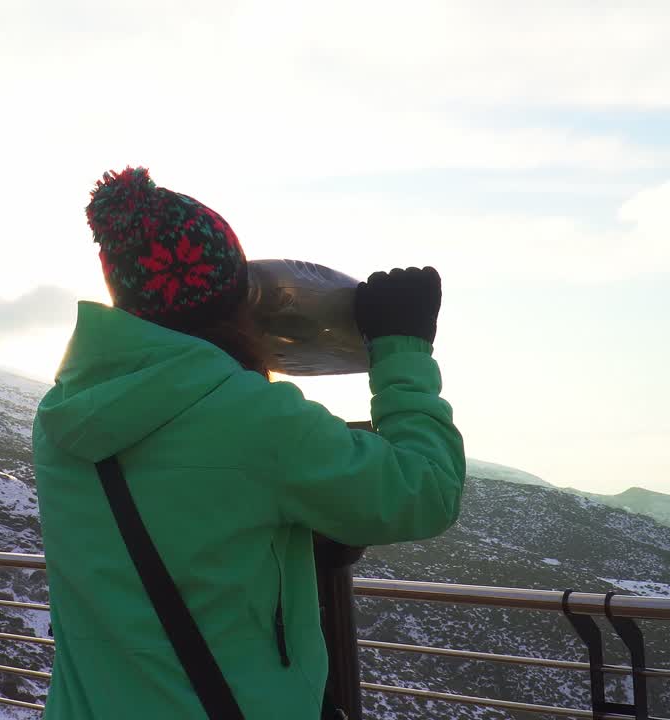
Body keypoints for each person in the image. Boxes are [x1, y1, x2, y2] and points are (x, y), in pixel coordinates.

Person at [32, 166, 466, 719]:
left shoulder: (60, 415)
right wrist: (403, 351)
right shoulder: (254, 421)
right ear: (241, 295)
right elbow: (424, 490)